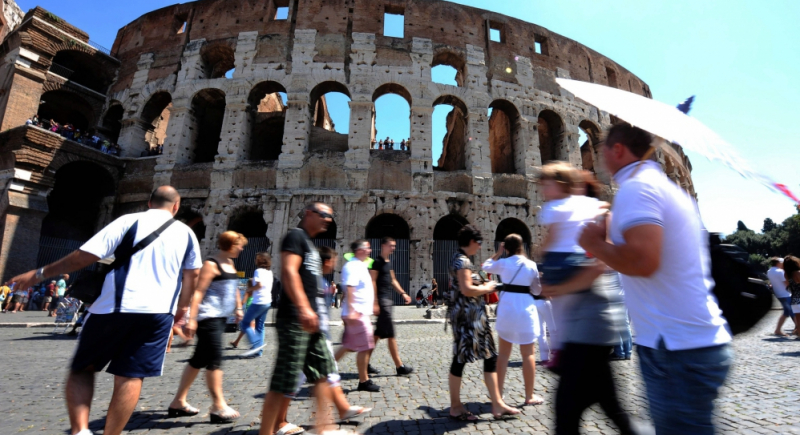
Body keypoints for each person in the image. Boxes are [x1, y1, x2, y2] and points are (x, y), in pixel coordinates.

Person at [6, 186, 202, 435]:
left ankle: (80, 430)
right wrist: (182, 310)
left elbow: (83, 257)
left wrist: (40, 273)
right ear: (176, 206)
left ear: (150, 202)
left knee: (82, 369)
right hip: (158, 314)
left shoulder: (129, 221)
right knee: (131, 377)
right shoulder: (187, 234)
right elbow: (192, 275)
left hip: (113, 308)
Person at [579, 124, 732, 435]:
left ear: (618, 150)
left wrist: (594, 244)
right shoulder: (664, 188)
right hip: (688, 340)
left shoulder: (638, 189)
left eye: (600, 148)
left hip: (675, 347)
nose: (596, 156)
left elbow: (643, 261)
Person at [258, 202, 354, 435]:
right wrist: (303, 308)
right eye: (324, 215)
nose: (328, 220)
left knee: (323, 372)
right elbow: (289, 272)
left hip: (312, 321)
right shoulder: (295, 236)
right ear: (309, 213)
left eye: (331, 216)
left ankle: (325, 427)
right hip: (295, 318)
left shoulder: (310, 244)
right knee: (285, 377)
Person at [168, 231, 246, 423]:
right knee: (215, 360)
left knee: (198, 360)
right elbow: (198, 292)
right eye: (239, 244)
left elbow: (233, 287)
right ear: (230, 244)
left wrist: (238, 308)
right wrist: (192, 320)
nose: (242, 248)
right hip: (207, 318)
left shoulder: (229, 262)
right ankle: (218, 406)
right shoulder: (211, 264)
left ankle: (178, 402)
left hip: (220, 318)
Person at [447, 225, 519, 421]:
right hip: (468, 320)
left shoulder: (461, 260)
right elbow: (467, 289)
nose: (479, 247)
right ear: (471, 242)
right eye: (478, 243)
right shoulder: (462, 261)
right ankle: (456, 406)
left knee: (489, 357)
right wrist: (487, 287)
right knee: (461, 360)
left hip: (472, 319)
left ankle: (497, 404)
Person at [482, 234, 544, 406]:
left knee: (503, 354)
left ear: (506, 248)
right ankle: (529, 396)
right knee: (529, 354)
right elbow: (538, 291)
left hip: (508, 308)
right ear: (521, 246)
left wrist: (498, 253)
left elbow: (485, 266)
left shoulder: (503, 263)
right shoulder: (531, 265)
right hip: (526, 309)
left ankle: (498, 395)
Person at [335, 240, 380, 392]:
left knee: (349, 346)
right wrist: (353, 310)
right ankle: (364, 381)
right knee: (366, 346)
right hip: (357, 313)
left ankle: (322, 372)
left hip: (359, 313)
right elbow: (350, 287)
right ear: (360, 250)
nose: (370, 250)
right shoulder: (352, 266)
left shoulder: (360, 265)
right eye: (368, 248)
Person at [369, 237, 414, 376]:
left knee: (377, 335)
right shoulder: (376, 262)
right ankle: (399, 366)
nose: (393, 248)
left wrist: (403, 293)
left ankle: (364, 362)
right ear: (383, 246)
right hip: (382, 301)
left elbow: (393, 280)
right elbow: (373, 281)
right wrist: (375, 301)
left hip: (388, 300)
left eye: (394, 246)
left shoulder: (389, 262)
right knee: (391, 334)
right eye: (391, 245)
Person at [239, 252, 273, 358]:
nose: (254, 260)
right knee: (260, 326)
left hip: (258, 302)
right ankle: (259, 351)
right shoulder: (269, 272)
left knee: (244, 323)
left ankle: (256, 344)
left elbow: (259, 285)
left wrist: (250, 289)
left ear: (260, 260)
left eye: (256, 259)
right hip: (267, 301)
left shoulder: (258, 271)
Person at [768, 257, 794, 336]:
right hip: (786, 294)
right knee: (793, 312)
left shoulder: (769, 271)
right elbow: (787, 284)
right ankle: (797, 329)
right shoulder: (780, 272)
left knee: (787, 312)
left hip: (779, 294)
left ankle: (778, 330)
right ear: (778, 263)